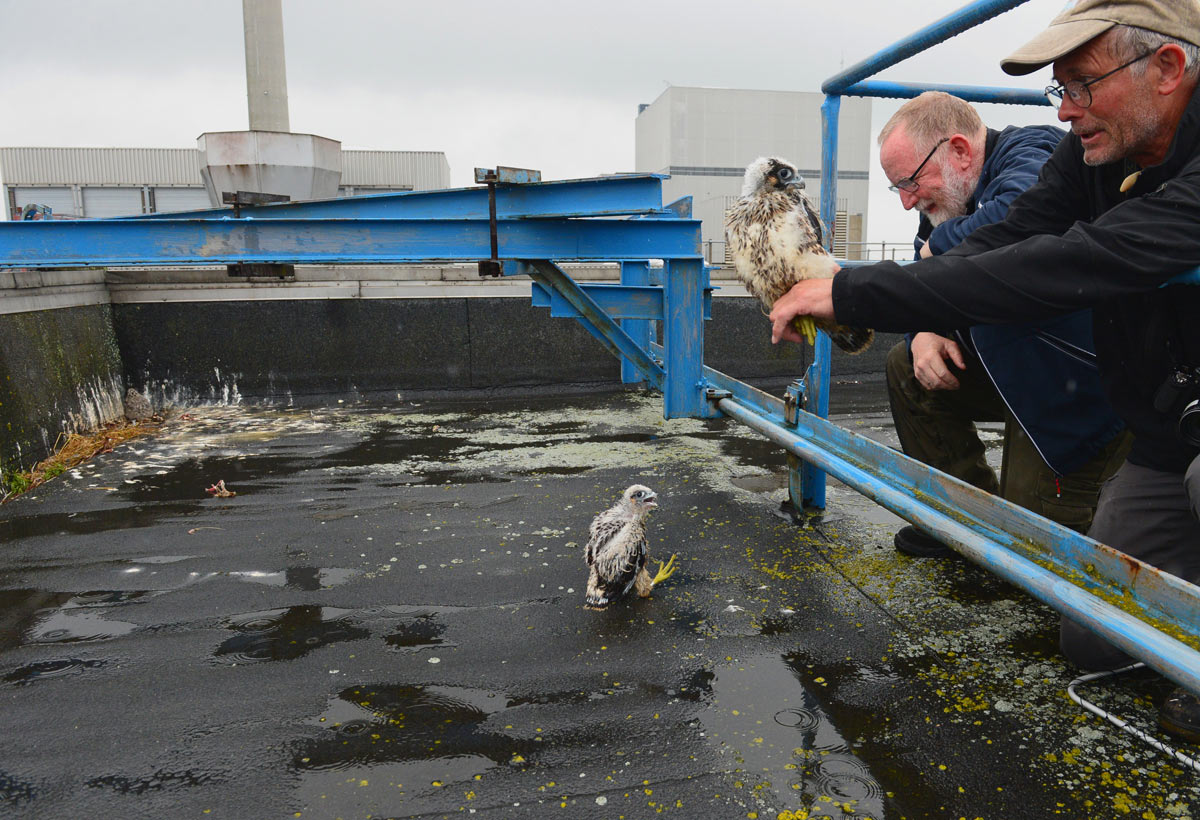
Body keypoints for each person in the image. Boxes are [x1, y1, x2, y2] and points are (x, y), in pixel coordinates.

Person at [768, 0, 1200, 741]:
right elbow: (1004, 240)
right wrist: (864, 293)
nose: (1066, 111)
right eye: (1057, 91)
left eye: (1082, 86)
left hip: (1095, 402)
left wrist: (851, 288)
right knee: (1094, 638)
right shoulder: (1097, 150)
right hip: (1167, 418)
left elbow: (1059, 264)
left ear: (1166, 69)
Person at [876, 92, 1130, 558]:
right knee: (906, 365)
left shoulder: (1035, 151)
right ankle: (961, 517)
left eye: (910, 181)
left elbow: (1021, 215)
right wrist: (924, 332)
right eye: (898, 188)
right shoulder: (950, 199)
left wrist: (937, 249)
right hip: (1014, 365)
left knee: (1033, 551)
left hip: (1076, 386)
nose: (908, 202)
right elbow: (929, 281)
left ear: (958, 150)